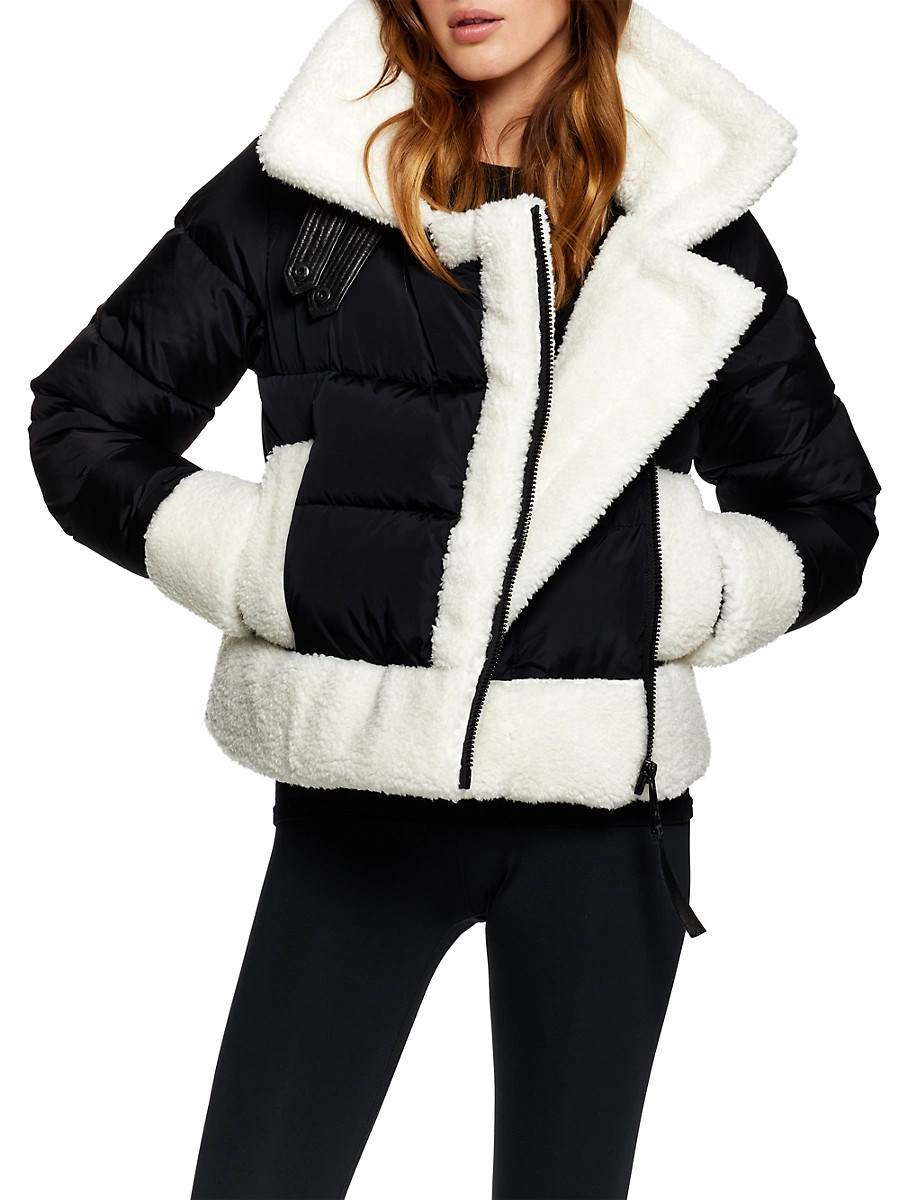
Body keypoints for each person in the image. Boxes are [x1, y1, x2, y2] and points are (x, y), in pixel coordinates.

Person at [27, 0, 880, 1196]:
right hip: (355, 808)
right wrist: (272, 562)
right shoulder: (316, 177)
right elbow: (84, 422)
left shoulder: (688, 215)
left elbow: (826, 507)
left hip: (605, 829)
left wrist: (670, 589)